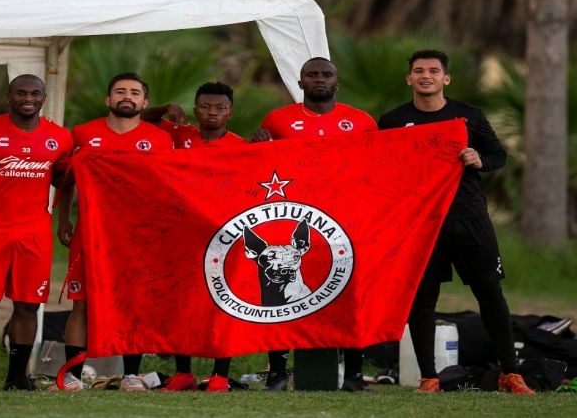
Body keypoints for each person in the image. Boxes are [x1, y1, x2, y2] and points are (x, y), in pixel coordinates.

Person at [378, 50, 535, 395]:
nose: (426, 76)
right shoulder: (391, 121)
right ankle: (428, 377)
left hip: (469, 218)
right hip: (420, 223)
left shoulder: (468, 116)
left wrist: (479, 159)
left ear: (445, 79)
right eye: (418, 71)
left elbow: (499, 155)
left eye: (433, 71)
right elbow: (378, 170)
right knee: (422, 299)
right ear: (409, 79)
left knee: (490, 292)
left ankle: (511, 373)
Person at [251, 57, 377, 392]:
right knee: (282, 298)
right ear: (300, 82)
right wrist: (255, 147)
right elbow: (258, 168)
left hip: (346, 224)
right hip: (296, 223)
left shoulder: (361, 121)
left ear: (337, 82)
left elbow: (380, 169)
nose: (319, 79)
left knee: (348, 296)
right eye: (311, 75)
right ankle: (278, 373)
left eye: (326, 74)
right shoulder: (278, 120)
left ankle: (353, 375)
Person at [54, 72, 174, 392]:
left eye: (134, 92)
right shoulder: (83, 133)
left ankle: (131, 375)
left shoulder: (160, 139)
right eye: (119, 91)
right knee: (82, 303)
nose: (127, 96)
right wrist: (63, 219)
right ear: (108, 100)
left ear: (143, 103)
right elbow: (65, 182)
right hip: (91, 231)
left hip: (138, 234)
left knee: (134, 303)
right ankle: (73, 376)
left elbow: (170, 187)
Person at [0, 74, 73, 392]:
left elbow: (66, 181)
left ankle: (18, 377)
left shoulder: (59, 137)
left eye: (35, 93)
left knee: (28, 304)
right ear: (9, 96)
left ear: (44, 97)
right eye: (20, 92)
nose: (28, 98)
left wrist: (63, 221)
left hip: (34, 232)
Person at [148, 81, 246, 392]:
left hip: (224, 236)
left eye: (220, 108)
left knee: (223, 302)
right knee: (181, 302)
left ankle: (220, 373)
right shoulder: (179, 135)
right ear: (195, 110)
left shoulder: (243, 147)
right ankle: (183, 372)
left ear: (230, 112)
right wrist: (164, 109)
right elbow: (138, 121)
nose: (212, 113)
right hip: (182, 235)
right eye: (205, 107)